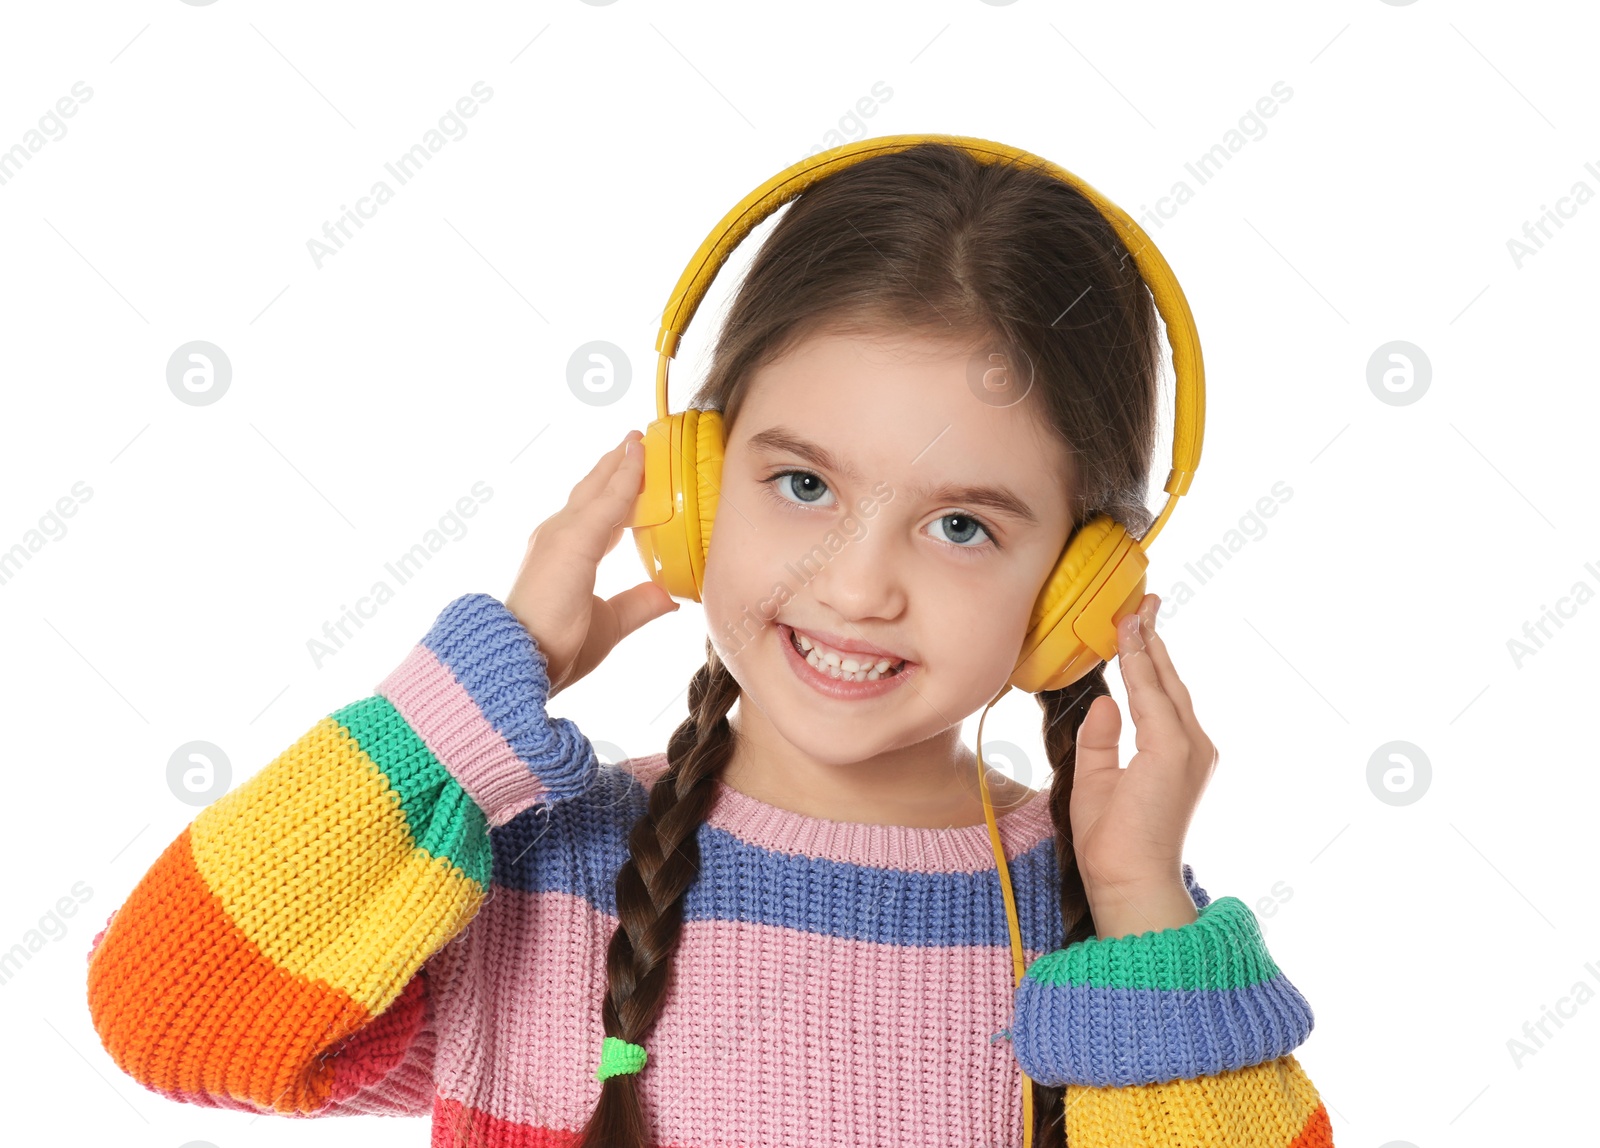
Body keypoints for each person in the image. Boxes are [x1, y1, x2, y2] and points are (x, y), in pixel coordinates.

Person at [86, 142, 1332, 1147]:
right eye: (801, 485)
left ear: (1075, 583)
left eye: (959, 524)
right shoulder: (536, 877)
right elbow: (168, 1014)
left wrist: (1137, 906)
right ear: (691, 493)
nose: (854, 584)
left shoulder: (1112, 957)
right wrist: (454, 721)